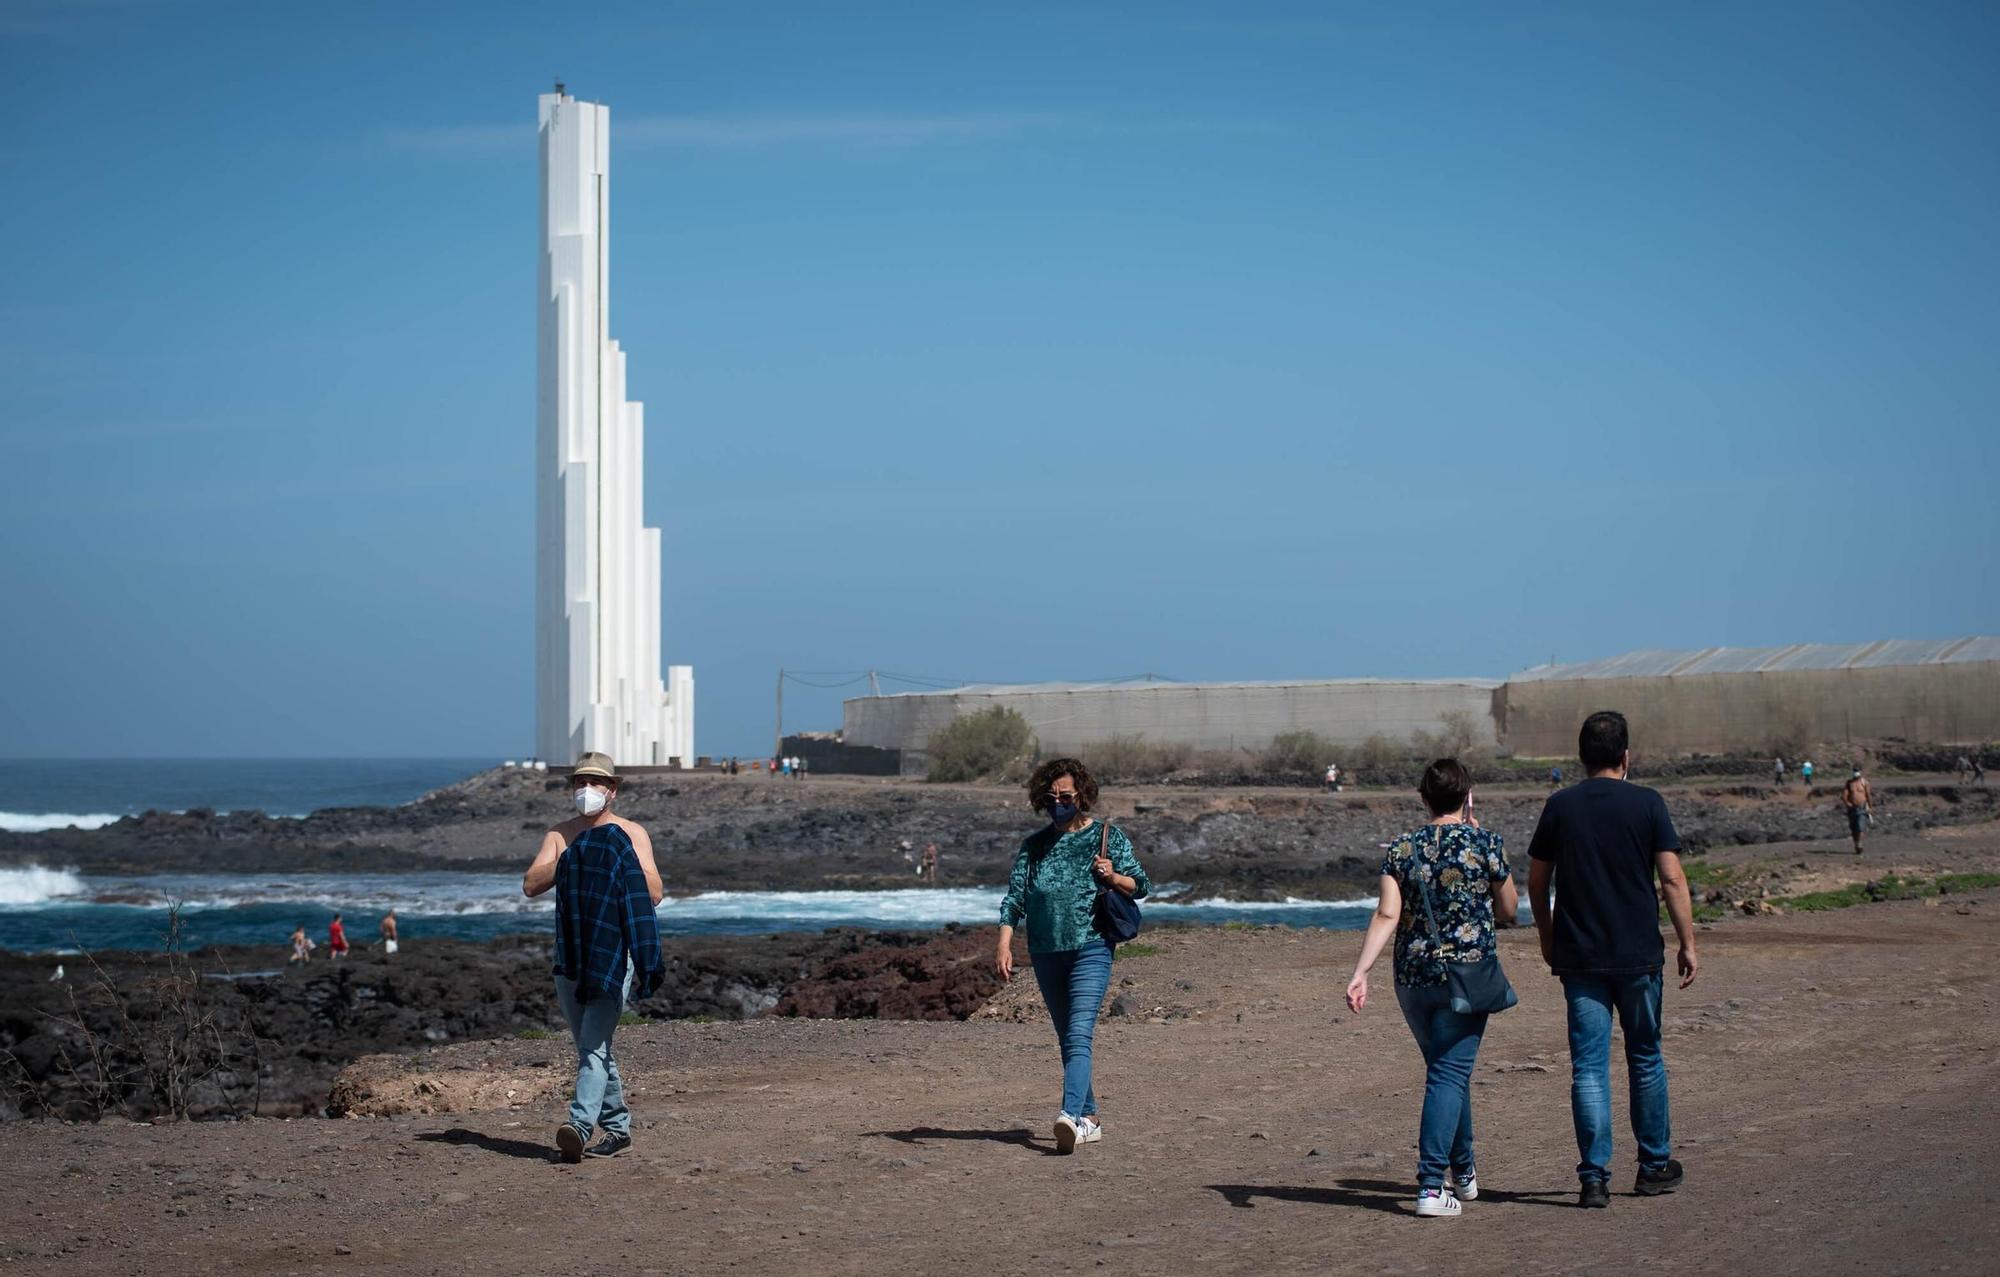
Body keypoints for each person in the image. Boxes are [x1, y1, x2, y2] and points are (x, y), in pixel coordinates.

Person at [1528, 711, 1697, 1208]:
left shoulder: (1561, 806)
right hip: (1639, 956)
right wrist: (1688, 941)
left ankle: (1594, 1178)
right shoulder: (1648, 802)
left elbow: (1537, 882)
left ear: (1581, 758)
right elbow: (1672, 880)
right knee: (1645, 1057)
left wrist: (1546, 935)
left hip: (1580, 956)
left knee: (1589, 1068)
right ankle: (1653, 1165)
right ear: (1626, 756)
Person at [1346, 759, 1516, 1218]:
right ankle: (1429, 1186)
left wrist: (1361, 971)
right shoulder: (1486, 843)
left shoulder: (1401, 849)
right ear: (1468, 797)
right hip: (1467, 975)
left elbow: (1387, 914)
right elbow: (1509, 910)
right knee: (1448, 1075)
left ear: (1423, 799)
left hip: (1413, 979)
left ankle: (1462, 1172)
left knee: (1446, 1072)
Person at [995, 756, 1150, 1155]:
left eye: (1065, 794)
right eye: (1050, 796)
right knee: (1068, 1037)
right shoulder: (1035, 846)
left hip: (1092, 946)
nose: (1058, 801)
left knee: (1080, 1032)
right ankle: (1091, 1117)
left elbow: (1141, 885)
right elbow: (1015, 899)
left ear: (1082, 794)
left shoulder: (1106, 837)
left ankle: (1069, 1115)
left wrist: (1112, 876)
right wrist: (1004, 943)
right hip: (1046, 951)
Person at [522, 751, 667, 1163]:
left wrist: (612, 859)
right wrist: (576, 857)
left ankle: (579, 1126)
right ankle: (619, 1129)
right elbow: (531, 884)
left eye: (596, 783)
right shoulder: (560, 835)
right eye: (579, 783)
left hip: (612, 954)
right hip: (571, 952)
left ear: (613, 790)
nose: (586, 790)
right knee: (593, 1046)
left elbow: (653, 891)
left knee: (592, 1046)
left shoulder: (630, 834)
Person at [1842, 768, 1873, 855]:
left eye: (1857, 771)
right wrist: (1847, 803)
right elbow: (1844, 795)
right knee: (1853, 828)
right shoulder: (1849, 783)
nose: (1856, 773)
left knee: (1860, 826)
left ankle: (1859, 843)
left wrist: (1870, 807)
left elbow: (1868, 795)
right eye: (1855, 771)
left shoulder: (1864, 783)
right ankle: (1856, 844)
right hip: (1852, 809)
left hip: (1862, 808)